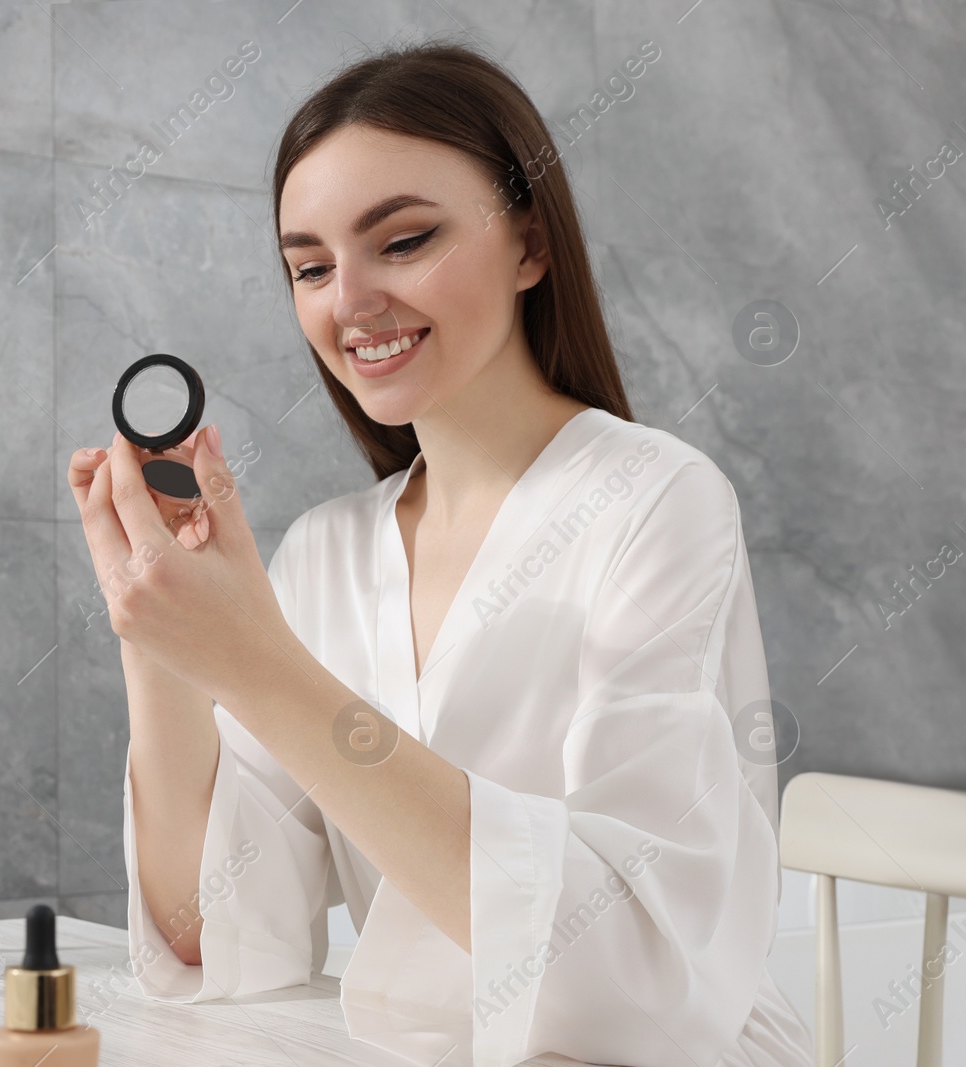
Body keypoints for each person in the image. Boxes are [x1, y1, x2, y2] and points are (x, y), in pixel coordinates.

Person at [67, 38, 814, 1067]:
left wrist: (254, 661)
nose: (349, 300)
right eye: (310, 266)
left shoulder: (657, 499)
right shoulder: (328, 552)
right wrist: (158, 633)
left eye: (405, 240)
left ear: (528, 245)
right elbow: (215, 932)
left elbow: (629, 971)